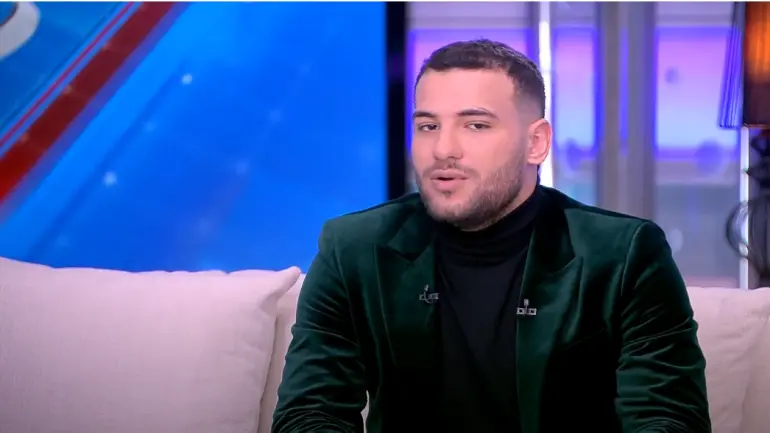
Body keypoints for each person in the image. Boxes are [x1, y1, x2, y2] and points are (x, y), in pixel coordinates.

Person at [272, 39, 711, 433]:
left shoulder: (624, 255)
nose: (443, 149)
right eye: (428, 126)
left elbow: (669, 419)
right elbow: (309, 413)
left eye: (475, 125)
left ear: (536, 143)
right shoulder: (354, 248)